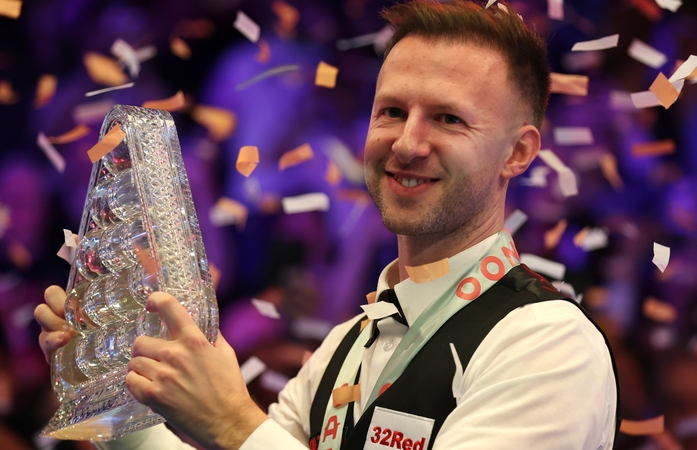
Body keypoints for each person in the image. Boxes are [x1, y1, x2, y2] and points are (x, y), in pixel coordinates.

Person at [35, 1, 619, 449]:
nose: (408, 143)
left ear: (518, 154)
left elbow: (245, 440)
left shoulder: (548, 344)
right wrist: (112, 394)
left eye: (447, 119)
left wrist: (234, 421)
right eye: (391, 111)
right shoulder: (347, 344)